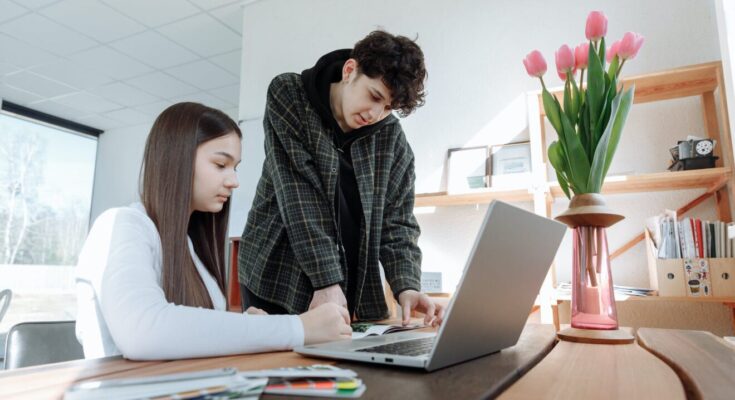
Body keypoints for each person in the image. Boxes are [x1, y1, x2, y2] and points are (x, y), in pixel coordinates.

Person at [75, 102, 351, 361]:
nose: (233, 181)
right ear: (176, 159)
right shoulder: (121, 224)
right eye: (221, 165)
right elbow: (142, 332)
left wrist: (250, 327)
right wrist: (297, 328)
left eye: (235, 168)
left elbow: (194, 333)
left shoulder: (190, 247)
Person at [238, 31, 444, 326]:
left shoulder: (392, 140)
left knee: (337, 368)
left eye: (387, 108)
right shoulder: (290, 94)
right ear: (350, 71)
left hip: (342, 283)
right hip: (276, 272)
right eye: (374, 96)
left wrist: (406, 285)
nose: (375, 113)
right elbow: (299, 194)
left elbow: (397, 221)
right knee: (280, 366)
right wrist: (325, 281)